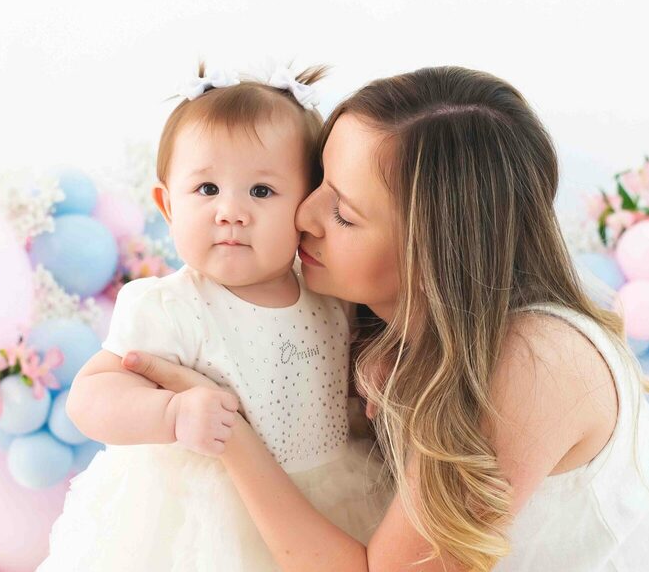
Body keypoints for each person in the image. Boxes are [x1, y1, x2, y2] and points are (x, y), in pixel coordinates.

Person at [119, 66, 649, 571]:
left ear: (432, 251)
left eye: (344, 213)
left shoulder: (535, 362)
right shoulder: (376, 327)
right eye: (319, 180)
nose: (303, 214)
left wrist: (232, 436)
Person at [37, 63, 392, 572]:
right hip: (208, 508)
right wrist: (172, 414)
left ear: (307, 203)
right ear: (167, 205)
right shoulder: (170, 305)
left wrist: (373, 376)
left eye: (261, 191)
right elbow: (90, 397)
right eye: (206, 189)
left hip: (329, 496)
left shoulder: (326, 292)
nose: (230, 212)